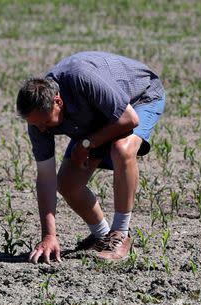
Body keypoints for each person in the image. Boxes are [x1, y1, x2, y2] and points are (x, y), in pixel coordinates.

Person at [16, 51, 165, 263]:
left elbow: (130, 119)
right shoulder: (38, 122)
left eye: (46, 123)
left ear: (58, 101)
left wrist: (87, 143)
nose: (41, 129)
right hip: (100, 117)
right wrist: (49, 236)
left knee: (122, 149)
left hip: (140, 97)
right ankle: (102, 237)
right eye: (35, 124)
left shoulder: (81, 78)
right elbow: (46, 178)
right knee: (67, 183)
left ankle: (120, 234)